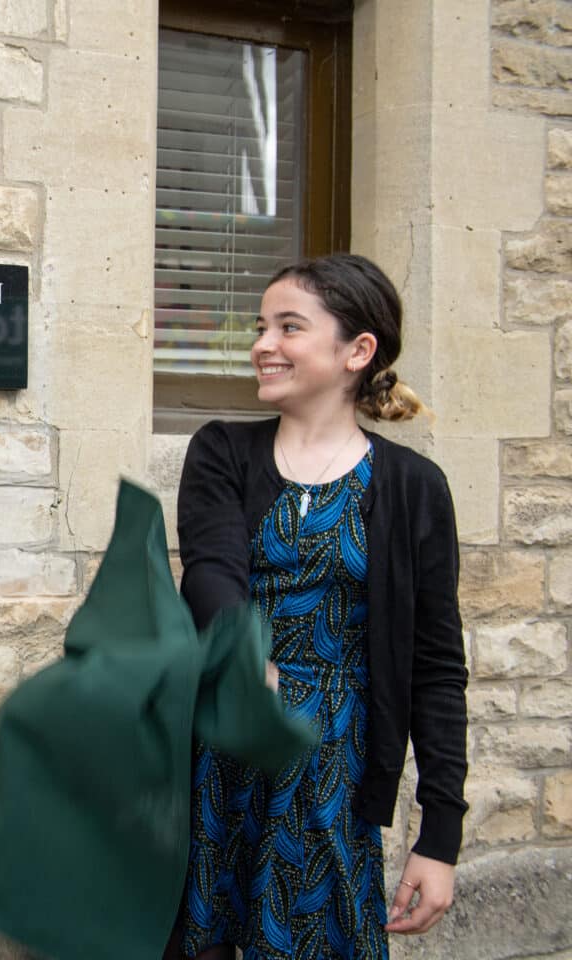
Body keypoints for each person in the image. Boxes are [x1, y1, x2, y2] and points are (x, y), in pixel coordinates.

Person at [166, 253, 468, 960]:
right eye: (261, 327)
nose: (263, 345)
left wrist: (440, 837)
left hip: (333, 768)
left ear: (357, 351)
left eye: (289, 327)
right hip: (217, 752)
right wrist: (245, 655)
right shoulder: (222, 452)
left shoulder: (414, 487)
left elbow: (436, 668)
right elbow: (211, 570)